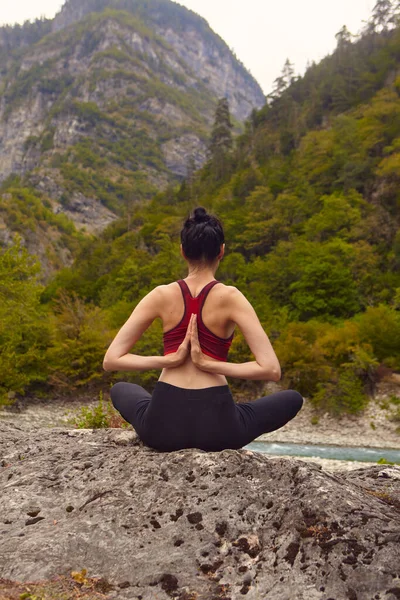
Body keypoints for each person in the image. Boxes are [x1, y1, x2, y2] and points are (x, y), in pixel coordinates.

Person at [103, 207, 303, 452]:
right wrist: (210, 365)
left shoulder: (160, 295)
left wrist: (168, 360)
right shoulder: (232, 297)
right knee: (292, 399)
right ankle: (232, 414)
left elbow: (111, 360)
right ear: (221, 251)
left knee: (121, 389)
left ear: (182, 251)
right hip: (219, 430)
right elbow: (271, 370)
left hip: (161, 429)